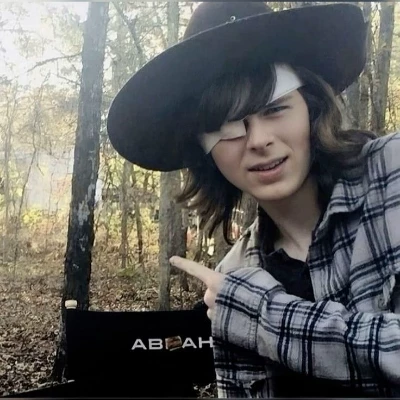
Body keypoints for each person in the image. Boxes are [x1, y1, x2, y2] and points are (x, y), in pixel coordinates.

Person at [107, 2, 400, 398]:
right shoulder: (234, 274)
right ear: (204, 152)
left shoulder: (391, 174)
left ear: (311, 107)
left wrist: (264, 315)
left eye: (275, 109)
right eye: (227, 127)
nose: (259, 140)